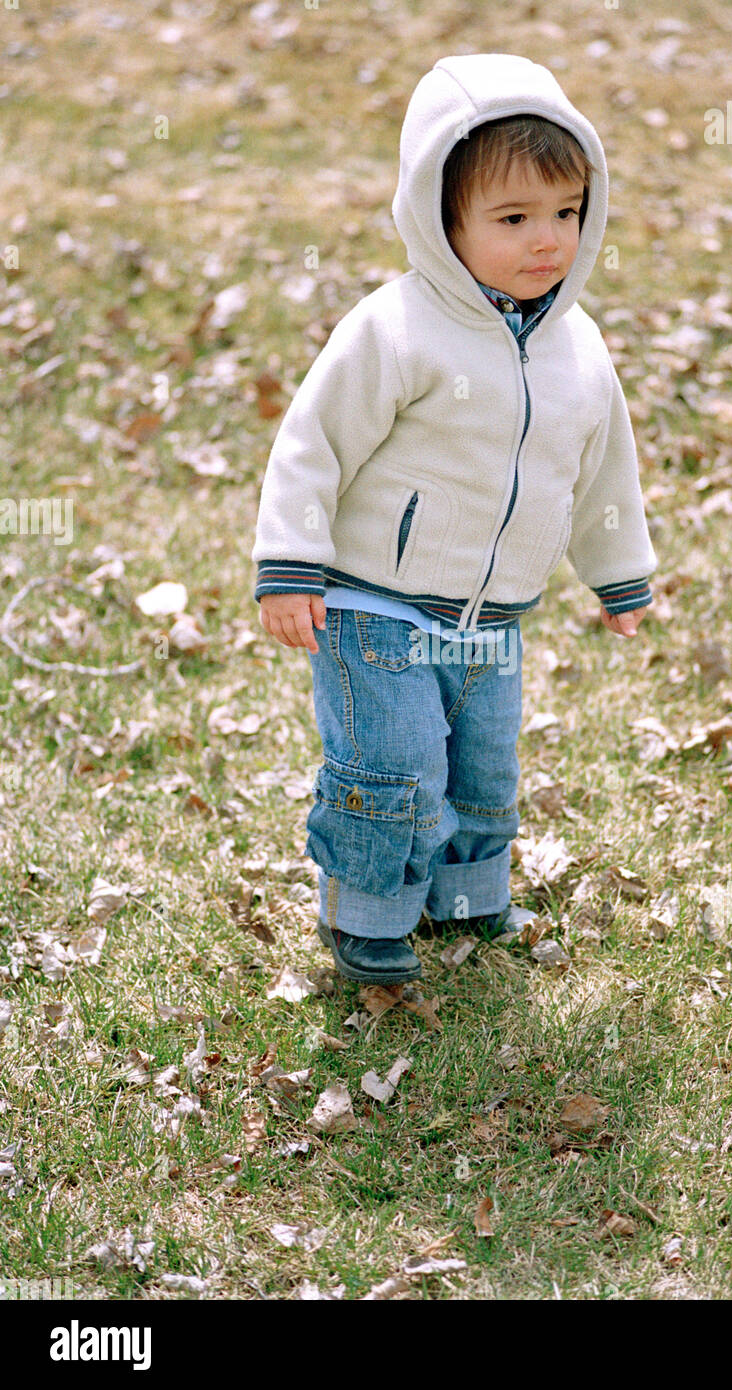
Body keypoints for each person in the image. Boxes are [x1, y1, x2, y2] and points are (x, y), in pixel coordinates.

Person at [252, 53, 658, 985]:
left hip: (497, 615)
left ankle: (466, 898)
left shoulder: (580, 348)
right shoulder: (393, 329)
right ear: (443, 220)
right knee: (393, 765)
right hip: (374, 604)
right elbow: (313, 440)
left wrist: (618, 573)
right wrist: (291, 562)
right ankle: (369, 914)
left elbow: (601, 470)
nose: (546, 240)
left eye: (565, 213)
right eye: (512, 219)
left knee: (482, 768)